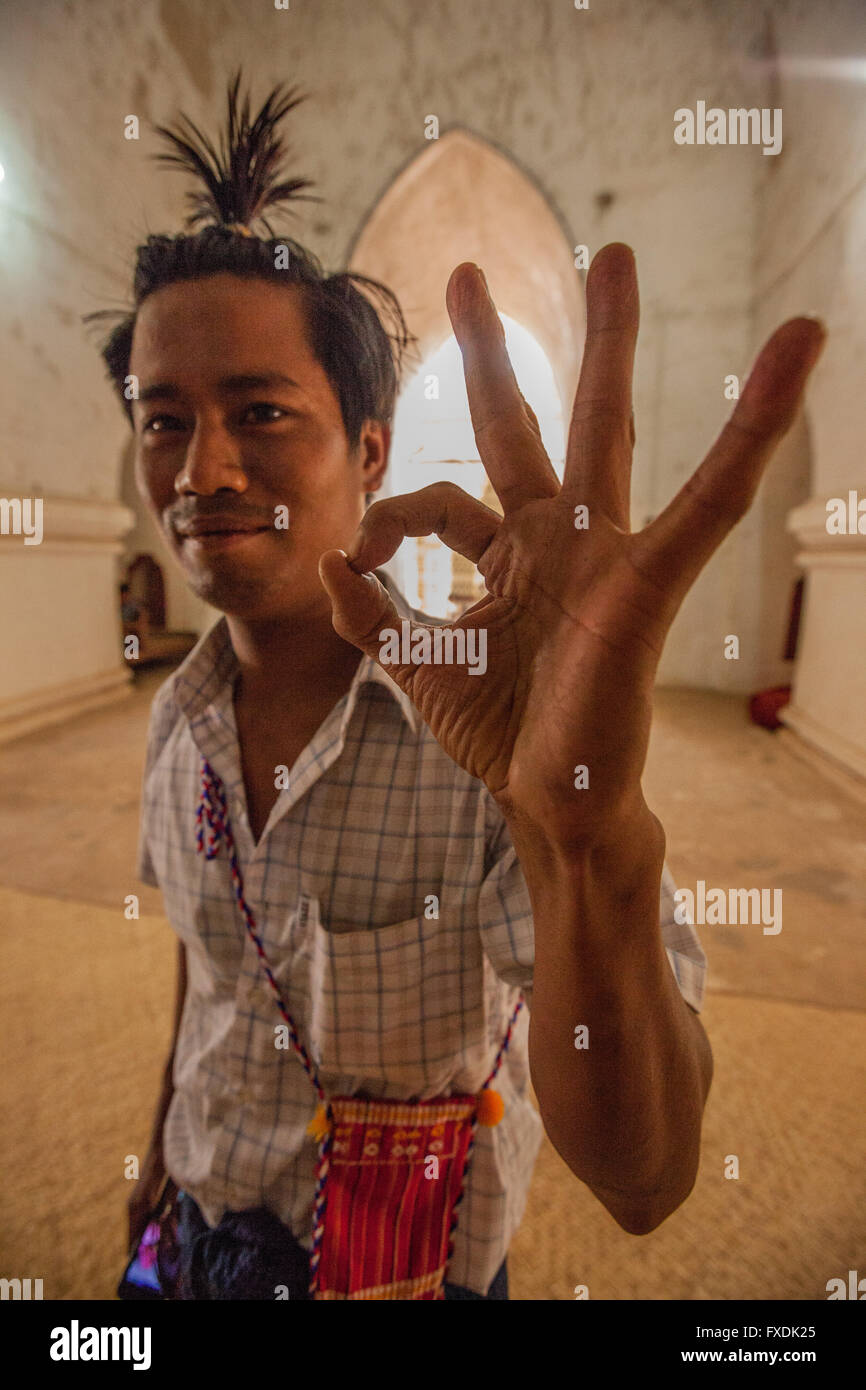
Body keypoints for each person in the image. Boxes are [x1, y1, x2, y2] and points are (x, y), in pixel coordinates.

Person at [91, 75, 824, 1300]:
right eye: (163, 419)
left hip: (405, 1271)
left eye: (260, 411)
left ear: (369, 450)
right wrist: (164, 1143)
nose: (202, 468)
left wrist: (578, 836)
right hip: (196, 1236)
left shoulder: (477, 748)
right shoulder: (180, 714)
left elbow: (645, 1179)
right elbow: (210, 961)